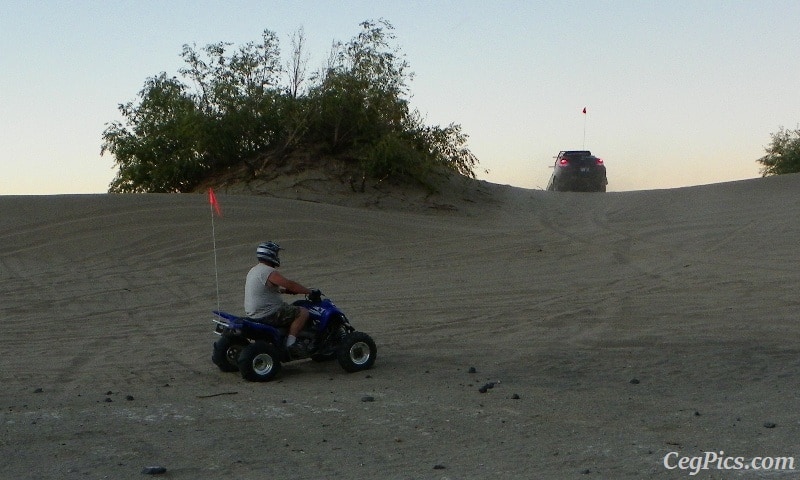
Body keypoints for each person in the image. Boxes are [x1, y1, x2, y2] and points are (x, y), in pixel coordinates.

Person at [244, 241, 317, 358]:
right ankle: (291, 345)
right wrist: (310, 291)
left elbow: (264, 290)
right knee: (302, 312)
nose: (277, 256)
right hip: (268, 313)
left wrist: (285, 291)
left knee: (290, 308)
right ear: (270, 254)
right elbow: (290, 284)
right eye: (276, 253)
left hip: (254, 314)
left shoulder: (254, 270)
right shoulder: (268, 271)